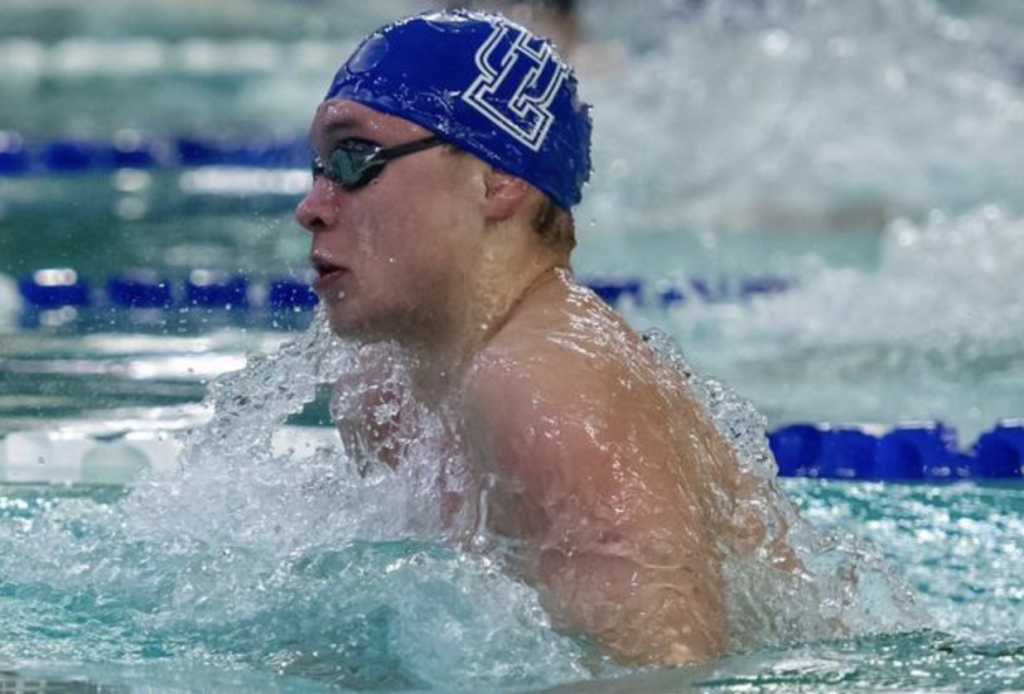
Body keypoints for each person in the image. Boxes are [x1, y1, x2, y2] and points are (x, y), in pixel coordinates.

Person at [295, 9, 779, 666]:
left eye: (353, 161)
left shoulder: (548, 395)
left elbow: (666, 678)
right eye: (318, 167)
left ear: (498, 180)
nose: (313, 206)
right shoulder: (385, 384)